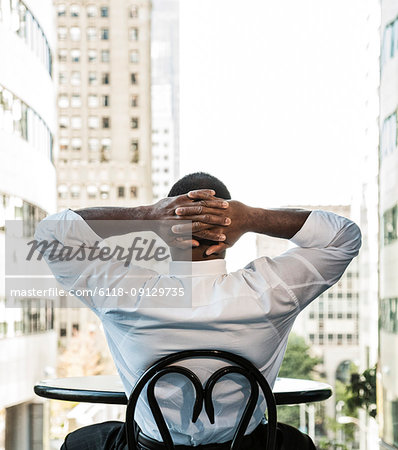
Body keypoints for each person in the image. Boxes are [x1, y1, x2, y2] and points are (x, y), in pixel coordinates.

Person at [34, 172, 362, 449]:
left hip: (151, 448)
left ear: (166, 232)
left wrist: (148, 216)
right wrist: (249, 217)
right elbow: (344, 236)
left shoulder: (124, 291)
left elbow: (51, 232)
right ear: (229, 235)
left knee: (79, 442)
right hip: (248, 447)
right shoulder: (269, 291)